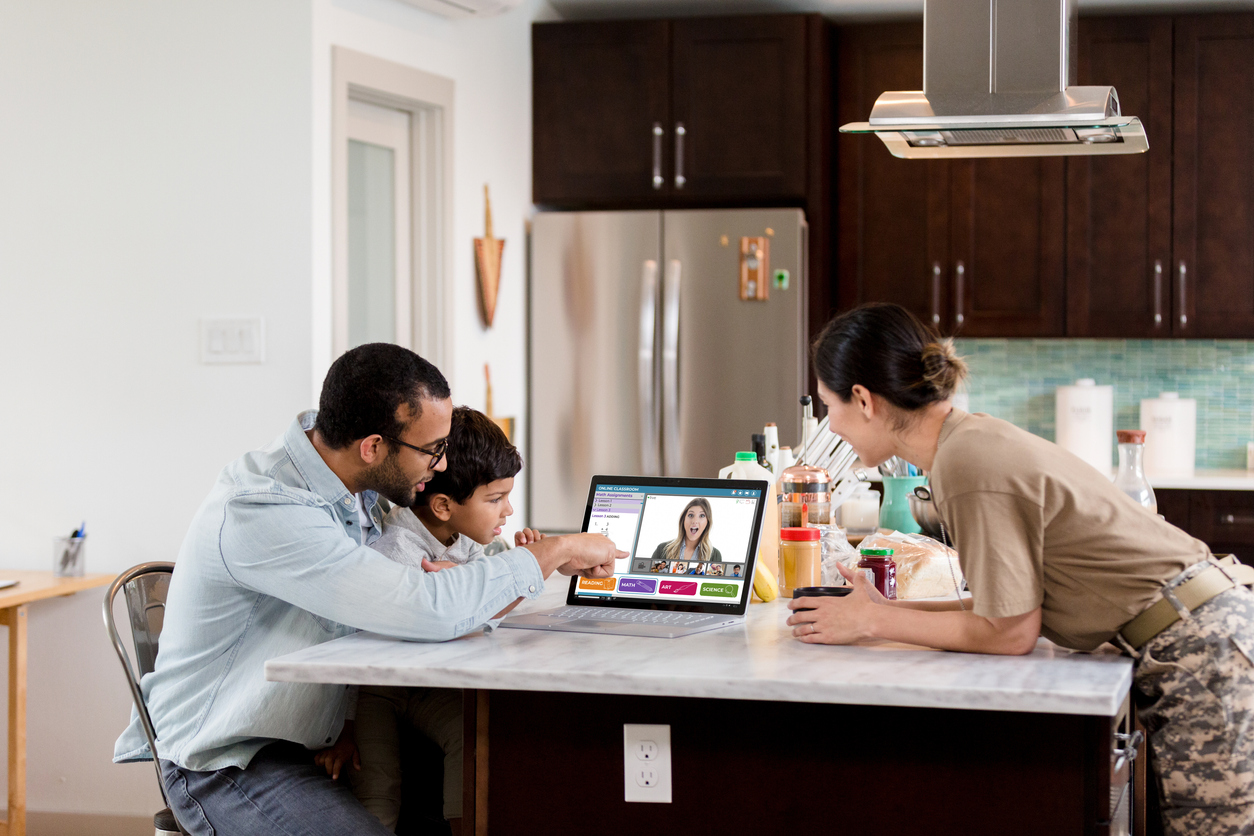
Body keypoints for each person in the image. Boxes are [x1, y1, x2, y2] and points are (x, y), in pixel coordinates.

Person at [113, 343, 622, 836]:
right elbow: (426, 608)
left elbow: (426, 596)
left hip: (316, 739)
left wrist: (465, 589)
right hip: (229, 762)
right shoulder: (267, 510)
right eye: (433, 450)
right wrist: (551, 551)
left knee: (505, 784)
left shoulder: (354, 484)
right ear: (373, 446)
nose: (441, 465)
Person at [786, 303, 1254, 836]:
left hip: (1206, 650)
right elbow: (1002, 604)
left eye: (830, 406)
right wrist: (883, 609)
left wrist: (872, 623)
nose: (832, 426)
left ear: (864, 401)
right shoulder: (966, 442)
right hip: (1205, 635)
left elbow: (1009, 633)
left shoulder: (966, 462)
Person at [334, 406, 531, 831]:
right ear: (443, 505)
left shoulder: (461, 540)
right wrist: (342, 729)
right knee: (378, 791)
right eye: (495, 499)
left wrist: (524, 566)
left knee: (472, 739)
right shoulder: (395, 551)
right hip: (379, 689)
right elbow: (354, 645)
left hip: (426, 686)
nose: (508, 511)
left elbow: (485, 601)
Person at [650, 498, 723, 566]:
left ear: (707, 522)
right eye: (690, 515)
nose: (694, 521)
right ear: (683, 520)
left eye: (702, 515)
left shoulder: (715, 555)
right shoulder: (662, 549)